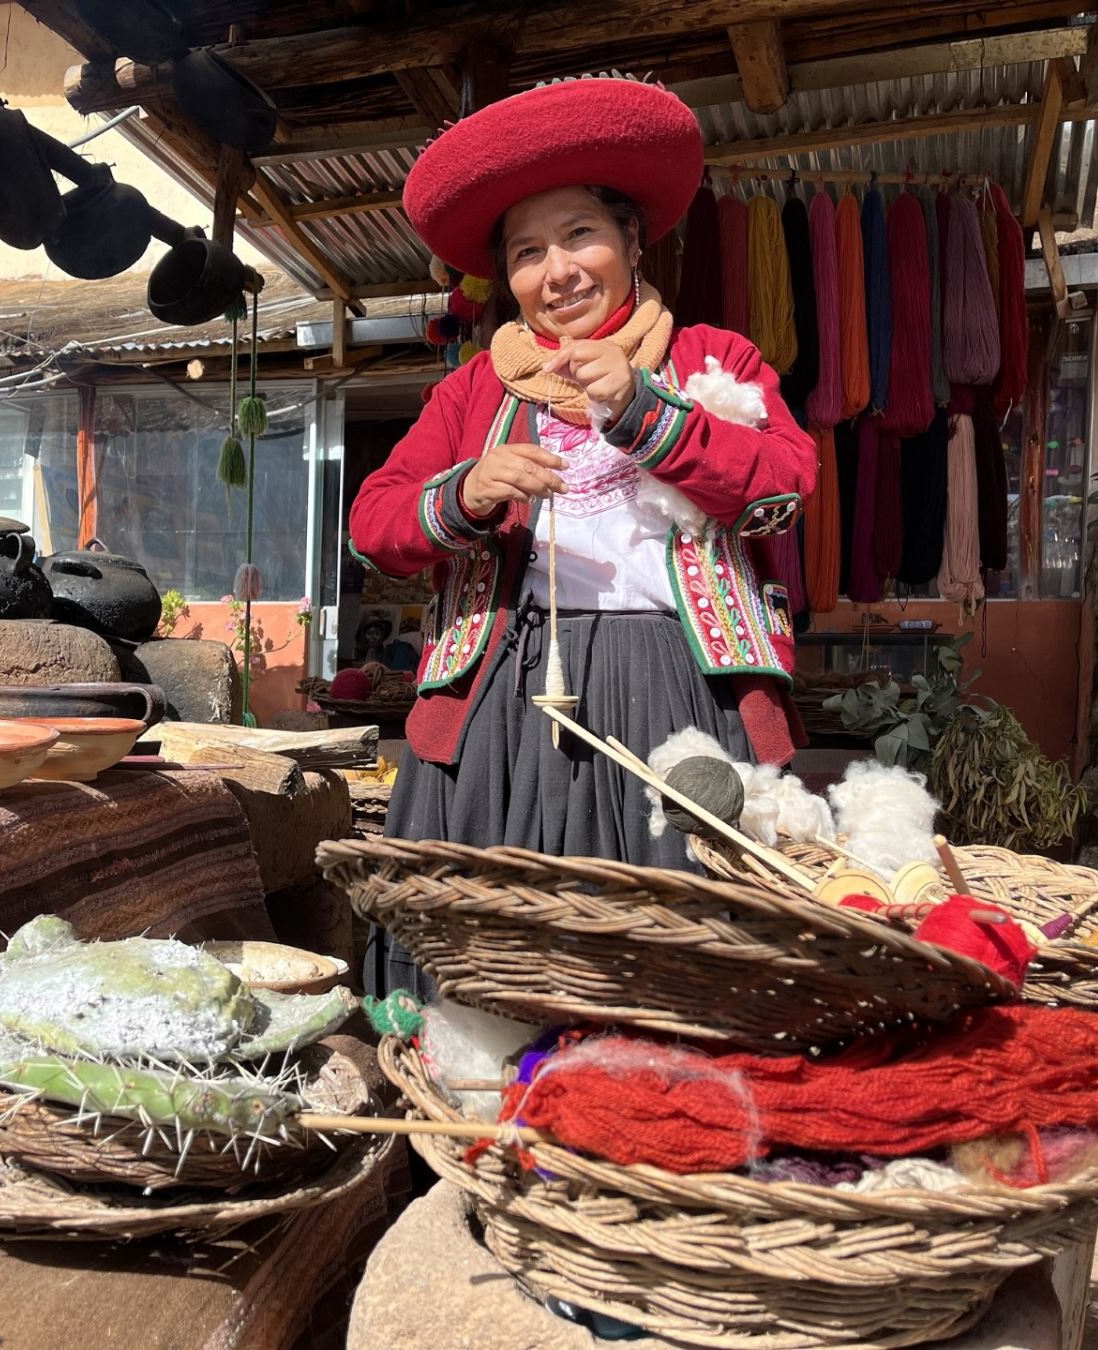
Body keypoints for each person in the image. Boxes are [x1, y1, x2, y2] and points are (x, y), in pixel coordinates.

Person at [346, 78, 817, 998]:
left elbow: (784, 490)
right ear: (505, 279)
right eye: (526, 251)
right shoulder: (474, 391)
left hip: (676, 686)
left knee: (669, 944)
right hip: (505, 693)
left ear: (633, 242)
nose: (555, 271)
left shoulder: (714, 361)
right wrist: (463, 493)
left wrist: (647, 411)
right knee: (495, 946)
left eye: (578, 236)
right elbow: (375, 524)